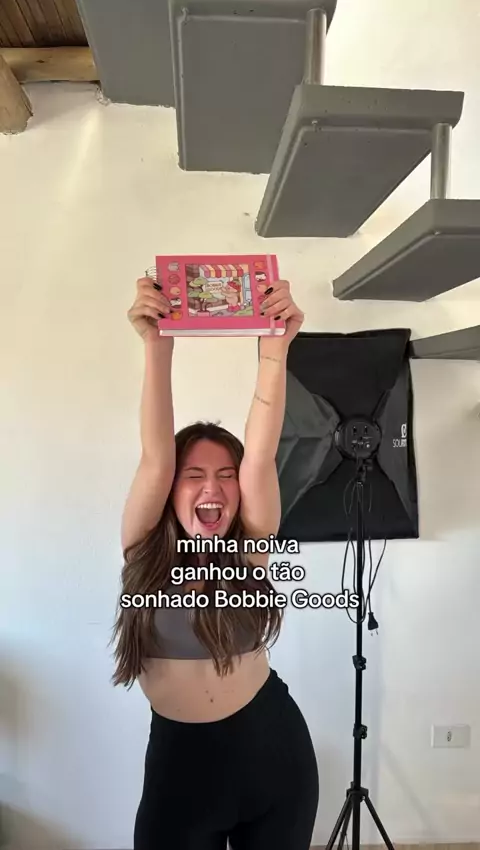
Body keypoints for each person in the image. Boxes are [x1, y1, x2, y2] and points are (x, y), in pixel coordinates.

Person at [110, 274, 319, 849]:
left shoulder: (250, 547)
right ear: (169, 490)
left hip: (272, 753)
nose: (214, 488)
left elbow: (261, 453)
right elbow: (156, 456)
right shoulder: (143, 549)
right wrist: (157, 344)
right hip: (181, 769)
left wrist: (274, 350)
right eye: (195, 475)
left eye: (226, 476)